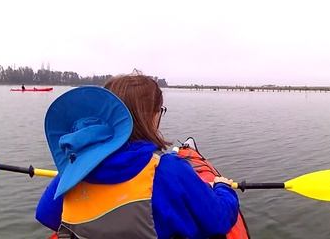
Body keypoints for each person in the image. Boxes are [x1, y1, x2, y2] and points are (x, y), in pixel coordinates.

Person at [35, 75, 239, 238]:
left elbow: (46, 215)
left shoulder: (76, 165)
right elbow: (218, 220)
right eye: (160, 111)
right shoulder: (169, 169)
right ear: (150, 115)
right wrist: (223, 187)